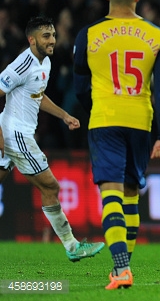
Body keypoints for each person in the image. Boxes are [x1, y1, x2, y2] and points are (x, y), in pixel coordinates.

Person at [73, 0, 160, 290]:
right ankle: (123, 268)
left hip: (105, 118)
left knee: (111, 192)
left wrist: (96, 109)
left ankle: (121, 268)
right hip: (140, 120)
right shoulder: (156, 35)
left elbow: (79, 86)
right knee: (130, 194)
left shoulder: (88, 34)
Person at [0, 16, 105, 262]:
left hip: (12, 131)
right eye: (46, 36)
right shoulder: (21, 65)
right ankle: (72, 246)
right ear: (32, 39)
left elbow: (37, 95)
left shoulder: (44, 62)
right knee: (50, 186)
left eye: (54, 35)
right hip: (16, 135)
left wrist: (64, 115)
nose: (52, 40)